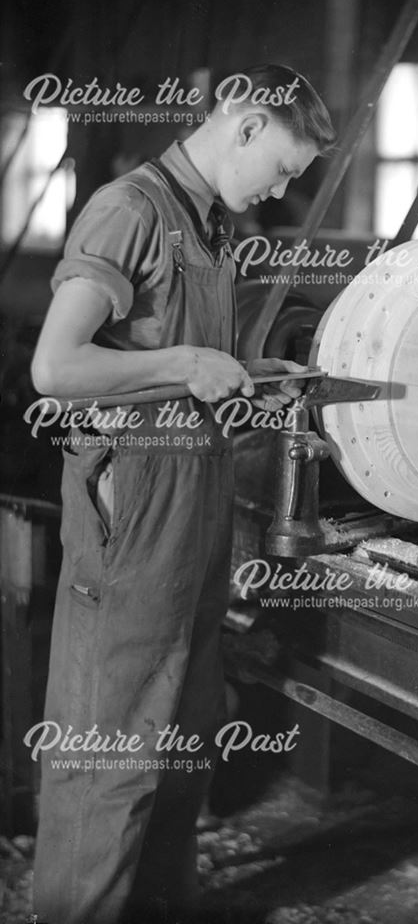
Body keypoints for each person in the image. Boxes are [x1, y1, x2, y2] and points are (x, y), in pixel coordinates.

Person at [30, 64, 336, 924]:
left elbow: (191, 374)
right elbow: (56, 368)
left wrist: (253, 377)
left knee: (180, 741)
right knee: (112, 746)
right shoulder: (130, 210)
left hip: (195, 502)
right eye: (279, 168)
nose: (278, 190)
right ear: (241, 124)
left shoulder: (206, 224)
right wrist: (187, 364)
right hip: (134, 509)